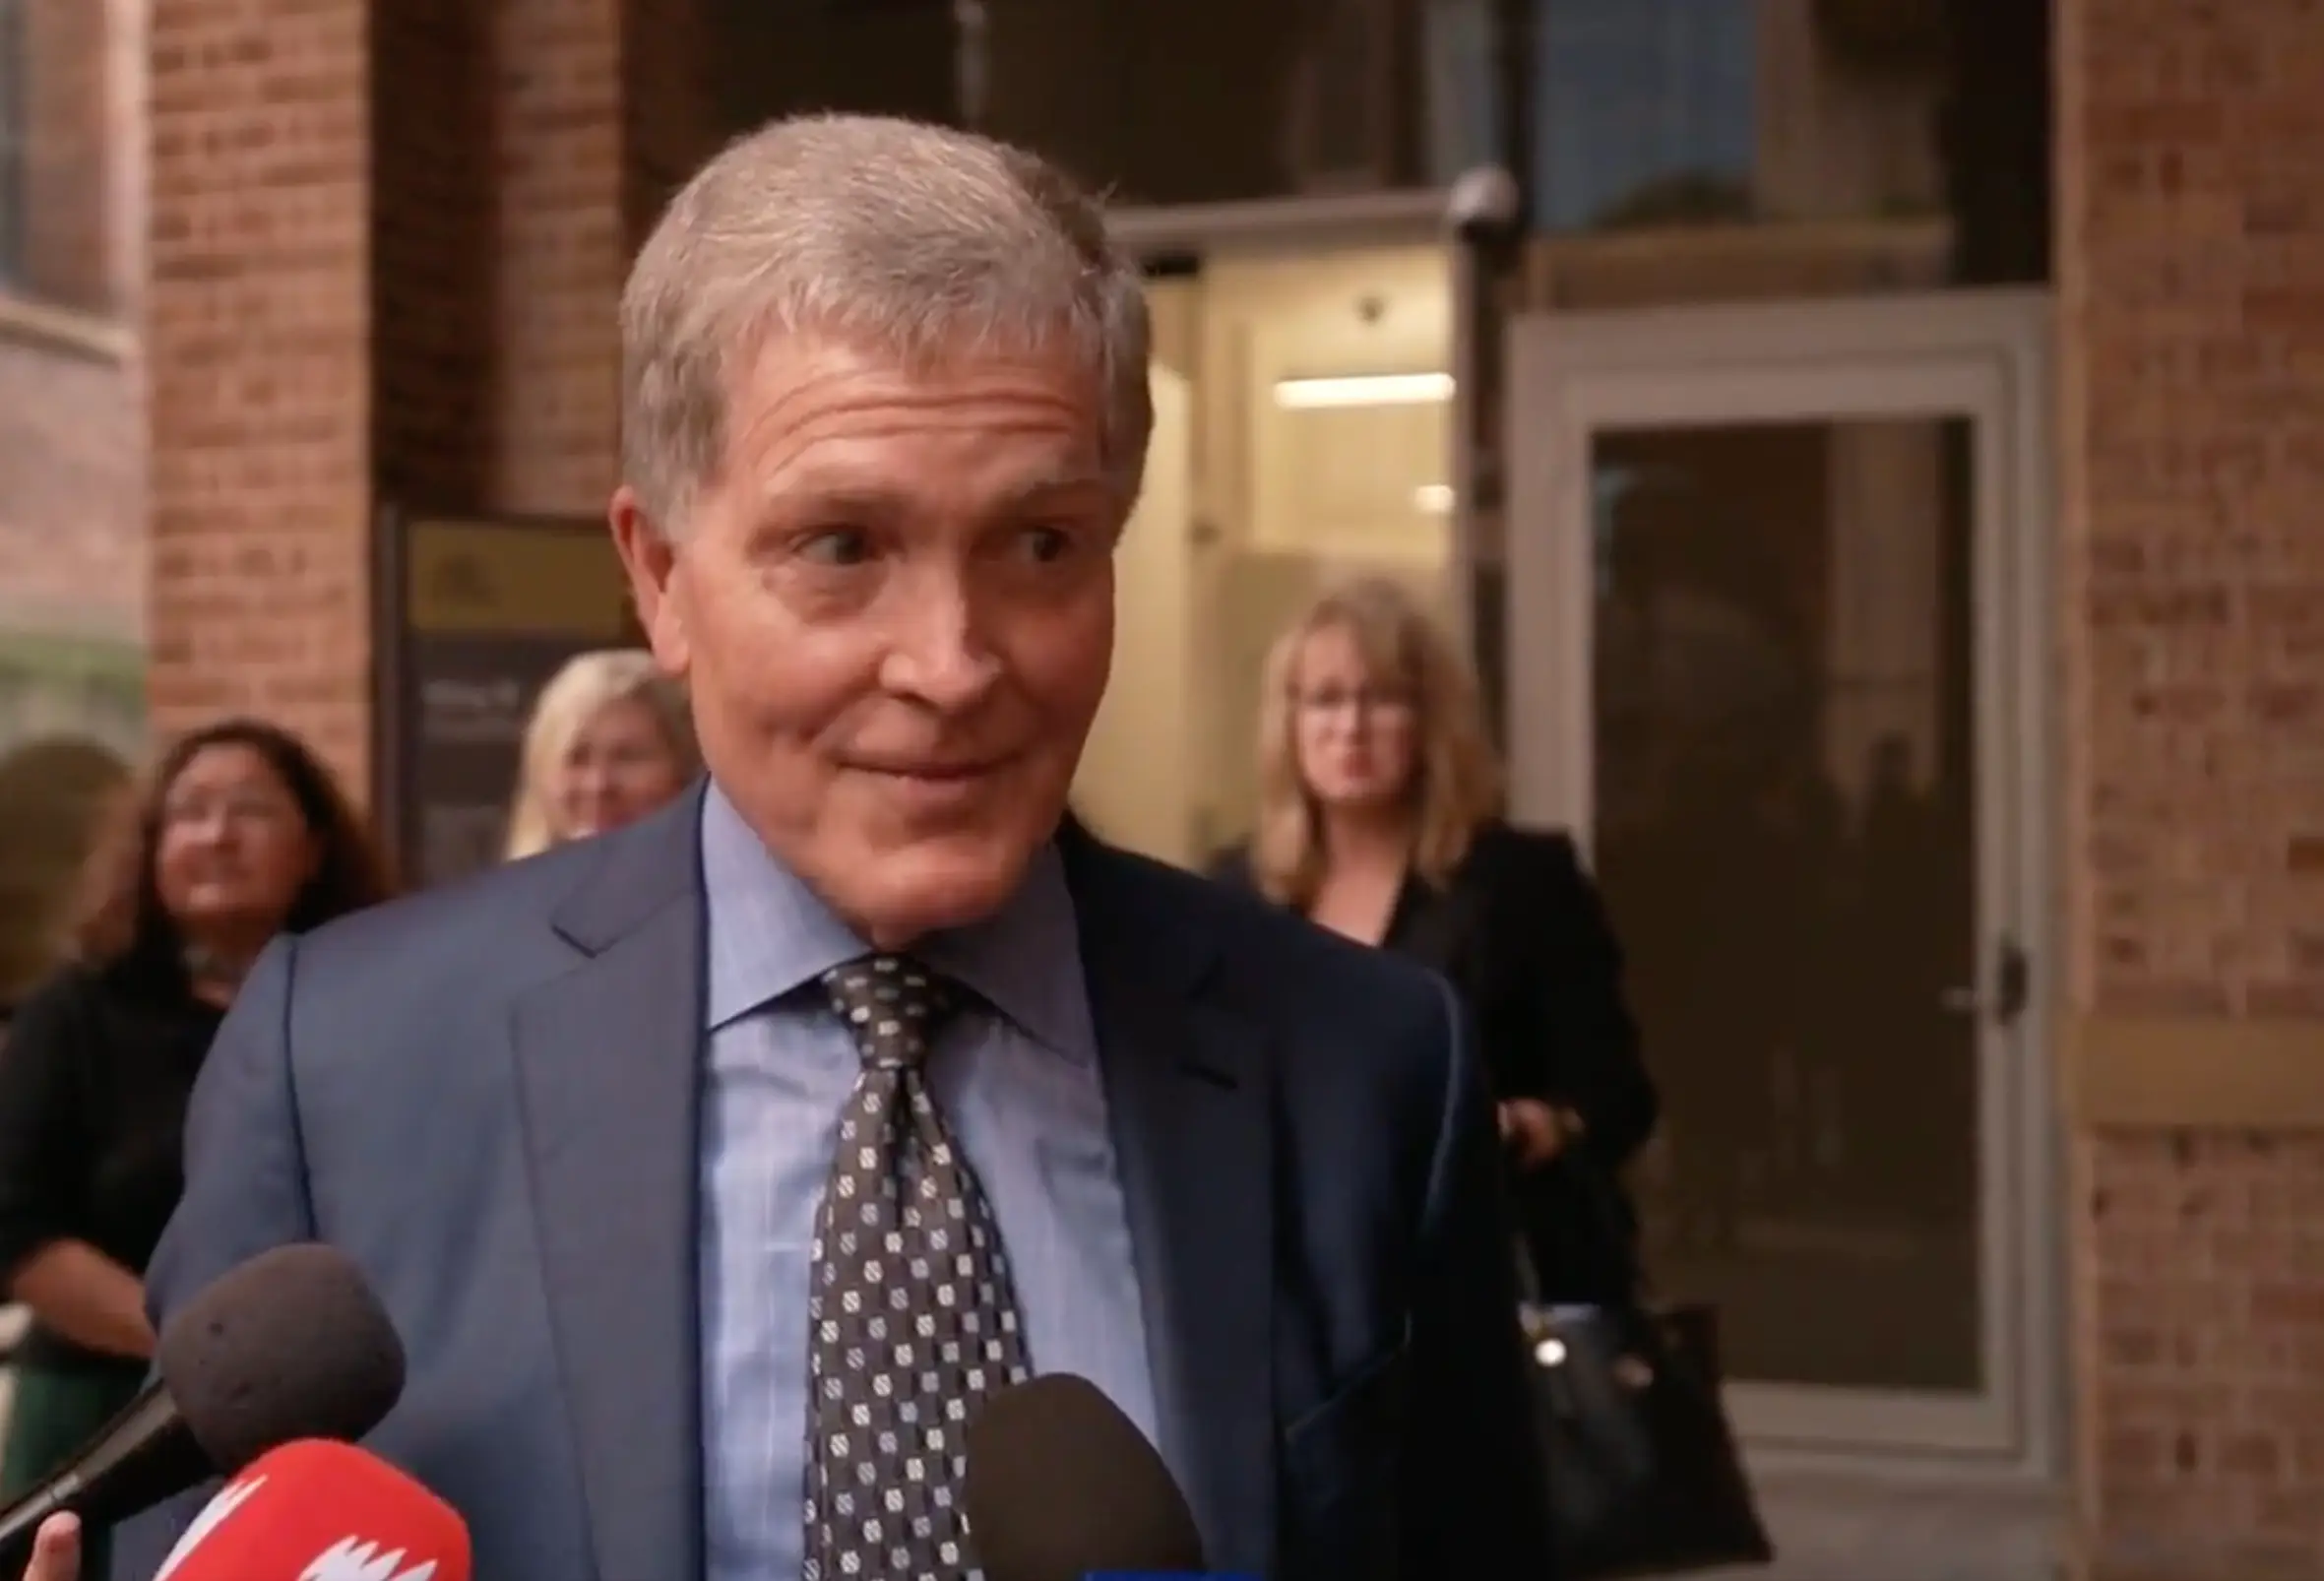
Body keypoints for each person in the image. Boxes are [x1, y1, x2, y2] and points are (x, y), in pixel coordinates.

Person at [85, 115, 1545, 1581]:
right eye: (843, 545)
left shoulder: (1367, 1067)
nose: (954, 663)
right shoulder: (348, 1066)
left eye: (1040, 543)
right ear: (659, 575)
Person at [0, 719, 389, 1580]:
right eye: (189, 813)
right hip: (103, 1426)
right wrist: (210, 1355)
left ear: (314, 845)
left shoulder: (376, 1007)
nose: (216, 835)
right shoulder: (77, 1013)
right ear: (150, 848)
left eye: (248, 810)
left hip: (330, 1424)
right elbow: (18, 1229)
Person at [1213, 578, 1658, 1304]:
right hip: (1294, 1298)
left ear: (1430, 722)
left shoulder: (1518, 883)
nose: (1350, 728)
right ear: (1288, 724)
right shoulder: (1235, 895)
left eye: (1382, 698)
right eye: (1325, 699)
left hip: (1484, 1295)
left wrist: (1529, 1126)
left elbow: (1618, 1096)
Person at [503, 649, 698, 859]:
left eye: (627, 758)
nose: (598, 785)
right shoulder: (506, 892)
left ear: (683, 770)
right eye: (577, 759)